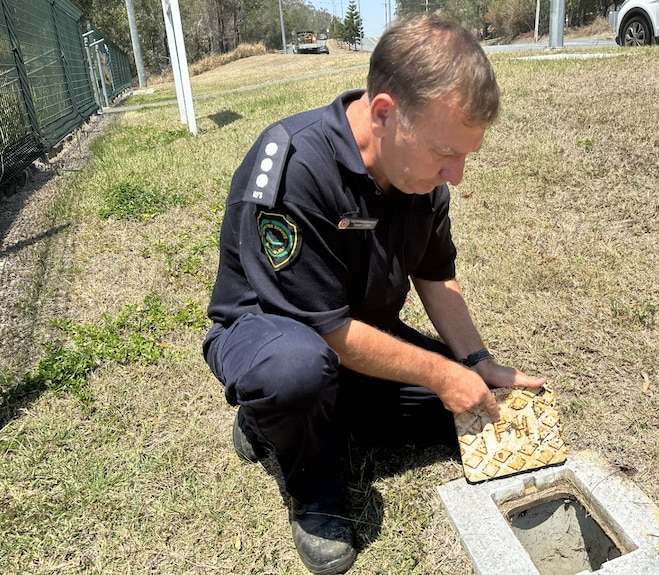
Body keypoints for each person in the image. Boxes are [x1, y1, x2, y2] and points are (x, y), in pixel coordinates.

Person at [202, 13, 545, 575]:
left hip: (361, 334)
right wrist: (438, 372)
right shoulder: (294, 166)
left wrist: (477, 364)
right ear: (385, 112)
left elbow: (436, 276)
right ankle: (312, 486)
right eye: (445, 154)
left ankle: (301, 419)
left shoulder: (420, 175)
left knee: (468, 412)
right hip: (274, 334)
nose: (455, 175)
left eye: (465, 156)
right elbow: (325, 330)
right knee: (297, 373)